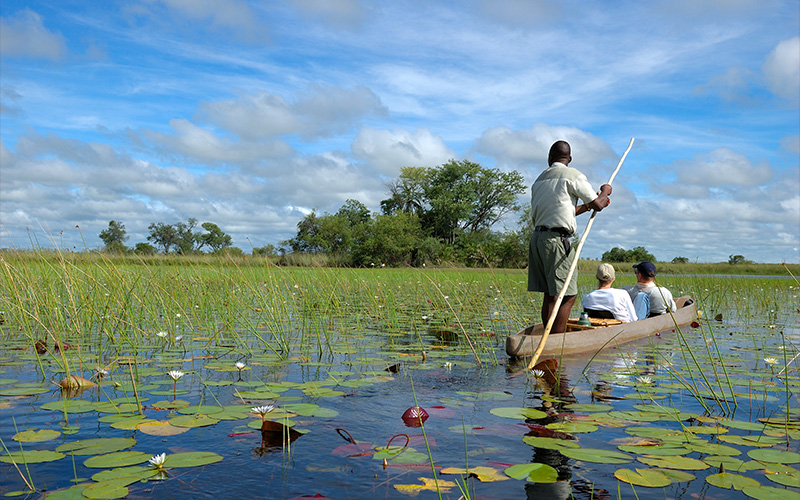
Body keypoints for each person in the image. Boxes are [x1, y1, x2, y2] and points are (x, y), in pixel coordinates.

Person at [528, 140, 612, 333]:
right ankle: (556, 339)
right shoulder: (572, 175)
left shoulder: (540, 179)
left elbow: (565, 211)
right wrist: (605, 191)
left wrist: (591, 204)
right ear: (570, 159)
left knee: (550, 294)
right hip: (557, 241)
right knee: (567, 295)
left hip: (538, 240)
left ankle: (548, 336)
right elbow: (598, 204)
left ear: (550, 159)